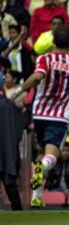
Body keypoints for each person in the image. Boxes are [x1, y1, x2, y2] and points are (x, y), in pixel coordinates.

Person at [12, 25, 69, 208]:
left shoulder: (45, 59)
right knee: (51, 156)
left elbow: (37, 78)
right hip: (60, 116)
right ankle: (41, 170)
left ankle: (36, 197)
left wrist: (19, 90)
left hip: (39, 113)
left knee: (42, 153)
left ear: (53, 41)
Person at [0, 77, 26, 210]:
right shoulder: (9, 105)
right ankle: (19, 214)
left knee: (10, 183)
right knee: (10, 183)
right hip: (7, 153)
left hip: (6, 151)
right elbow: (20, 128)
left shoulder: (8, 105)